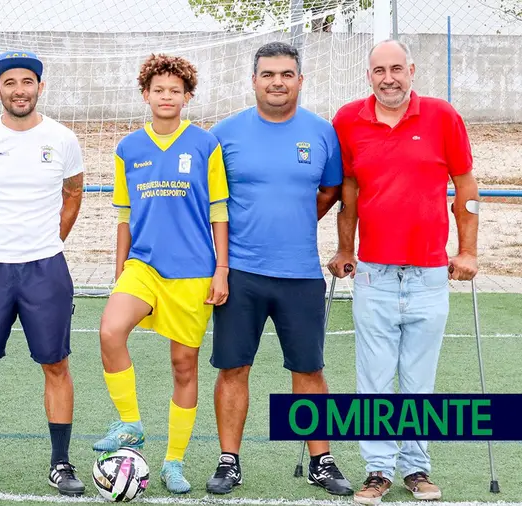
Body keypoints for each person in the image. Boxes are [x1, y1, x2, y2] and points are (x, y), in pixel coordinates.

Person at [329, 39, 479, 505]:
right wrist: (343, 248)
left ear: (412, 70)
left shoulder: (442, 116)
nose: (388, 78)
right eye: (379, 70)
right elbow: (349, 189)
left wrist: (468, 251)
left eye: (397, 69)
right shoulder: (348, 120)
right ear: (369, 75)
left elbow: (465, 185)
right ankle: (377, 469)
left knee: (418, 378)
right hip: (374, 272)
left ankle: (416, 468)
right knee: (373, 377)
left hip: (430, 272)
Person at [206, 41, 353, 496]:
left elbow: (331, 190)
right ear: (254, 81)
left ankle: (320, 461)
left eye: (286, 74)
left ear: (300, 81)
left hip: (301, 274)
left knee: (309, 370)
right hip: (241, 272)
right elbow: (211, 203)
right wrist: (220, 266)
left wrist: (296, 220)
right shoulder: (224, 134)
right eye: (268, 74)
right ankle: (229, 461)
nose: (277, 82)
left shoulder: (323, 133)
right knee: (234, 368)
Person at [0, 50, 85, 497]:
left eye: (28, 82)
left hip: (46, 267)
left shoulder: (62, 138)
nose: (19, 90)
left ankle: (61, 464)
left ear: (40, 87)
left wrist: (46, 239)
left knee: (56, 364)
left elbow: (73, 194)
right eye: (10, 83)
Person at [93, 53, 229, 494]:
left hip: (192, 272)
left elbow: (218, 211)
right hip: (143, 265)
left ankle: (173, 461)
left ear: (187, 97)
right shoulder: (128, 148)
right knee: (110, 330)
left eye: (175, 90)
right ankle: (130, 423)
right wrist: (120, 271)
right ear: (146, 94)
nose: (166, 96)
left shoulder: (205, 144)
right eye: (158, 89)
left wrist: (221, 269)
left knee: (183, 366)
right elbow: (124, 217)